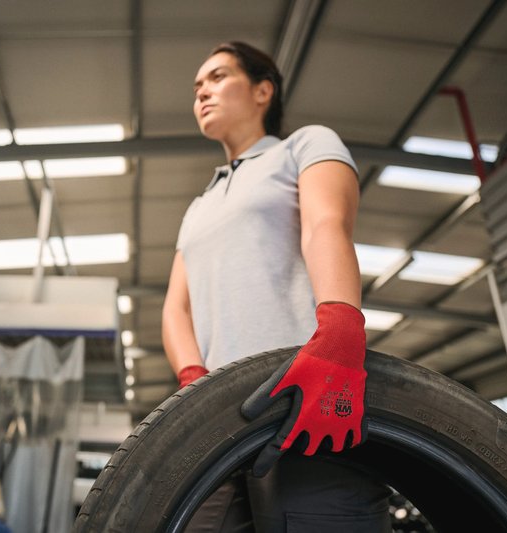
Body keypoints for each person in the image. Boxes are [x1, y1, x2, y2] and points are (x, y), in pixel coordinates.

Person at [162, 41, 392, 532]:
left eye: (218, 76)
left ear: (263, 90)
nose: (202, 90)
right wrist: (193, 382)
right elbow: (176, 309)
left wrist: (339, 332)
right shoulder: (198, 206)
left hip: (306, 398)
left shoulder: (305, 146)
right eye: (197, 85)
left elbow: (325, 226)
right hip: (223, 420)